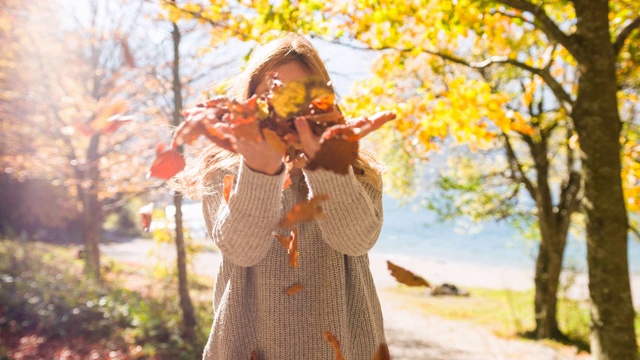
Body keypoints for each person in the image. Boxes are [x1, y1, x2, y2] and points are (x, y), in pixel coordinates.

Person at [185, 32, 394, 360]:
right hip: (247, 347)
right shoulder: (223, 172)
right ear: (252, 103)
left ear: (323, 102)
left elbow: (355, 241)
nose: (288, 114)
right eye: (273, 98)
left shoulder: (357, 170)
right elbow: (242, 250)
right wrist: (260, 172)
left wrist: (327, 166)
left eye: (299, 99)